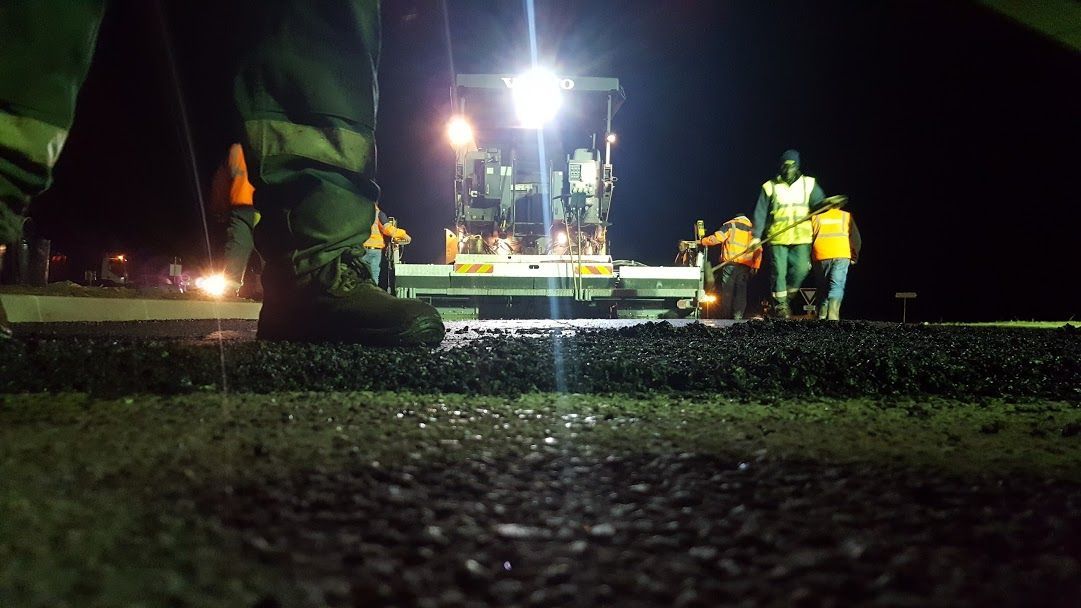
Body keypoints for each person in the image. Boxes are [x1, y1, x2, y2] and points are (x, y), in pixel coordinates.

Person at [0, 1, 444, 345]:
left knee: (316, 16)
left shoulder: (234, 175)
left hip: (251, 216)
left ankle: (315, 270)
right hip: (243, 212)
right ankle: (315, 263)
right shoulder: (234, 174)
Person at [751, 149, 828, 318]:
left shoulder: (808, 184)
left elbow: (819, 204)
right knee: (779, 271)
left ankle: (786, 297)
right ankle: (780, 306)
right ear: (780, 166)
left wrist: (826, 204)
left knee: (801, 269)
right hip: (778, 236)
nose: (788, 169)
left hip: (801, 236)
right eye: (785, 166)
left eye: (792, 166)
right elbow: (760, 212)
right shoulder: (770, 186)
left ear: (797, 166)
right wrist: (756, 236)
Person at [208, 143, 260, 295]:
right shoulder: (266, 145)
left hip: (242, 205)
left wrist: (219, 209)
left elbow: (221, 182)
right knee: (269, 248)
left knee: (238, 246)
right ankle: (272, 290)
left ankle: (230, 290)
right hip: (263, 205)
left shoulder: (236, 150)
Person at [700, 214, 762, 319]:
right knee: (741, 291)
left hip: (730, 264)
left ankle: (726, 316)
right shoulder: (753, 230)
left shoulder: (731, 225)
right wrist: (756, 266)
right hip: (744, 266)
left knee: (727, 291)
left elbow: (715, 239)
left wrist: (701, 241)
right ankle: (738, 316)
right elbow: (758, 250)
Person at [811, 205, 861, 320]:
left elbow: (809, 239)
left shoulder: (816, 218)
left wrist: (809, 259)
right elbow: (856, 239)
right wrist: (854, 257)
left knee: (822, 286)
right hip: (841, 254)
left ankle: (822, 315)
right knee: (836, 285)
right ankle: (833, 315)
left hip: (820, 255)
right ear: (839, 205)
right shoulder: (846, 216)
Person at [361, 207, 410, 287]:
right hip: (374, 251)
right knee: (373, 278)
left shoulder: (357, 212)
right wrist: (403, 235)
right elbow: (388, 229)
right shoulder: (378, 213)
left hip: (360, 250)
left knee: (359, 276)